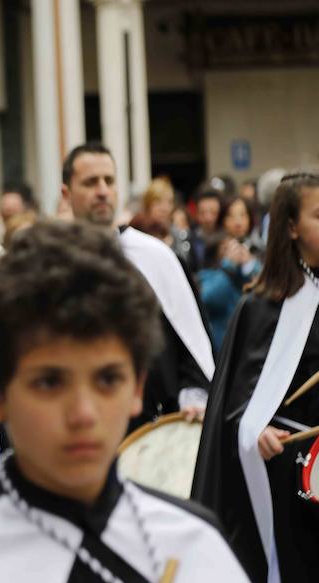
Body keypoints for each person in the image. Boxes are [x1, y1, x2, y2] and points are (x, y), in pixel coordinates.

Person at [0, 221, 258, 583]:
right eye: (50, 383)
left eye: (108, 380)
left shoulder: (193, 541)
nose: (84, 414)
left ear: (138, 387)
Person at [192, 169, 319, 583]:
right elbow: (237, 406)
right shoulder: (263, 306)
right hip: (294, 486)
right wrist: (256, 431)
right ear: (291, 227)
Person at [60, 143, 214, 428]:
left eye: (109, 180)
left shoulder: (155, 256)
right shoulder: (51, 266)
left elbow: (192, 342)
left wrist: (193, 398)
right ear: (66, 193)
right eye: (91, 182)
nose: (103, 190)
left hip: (156, 430)